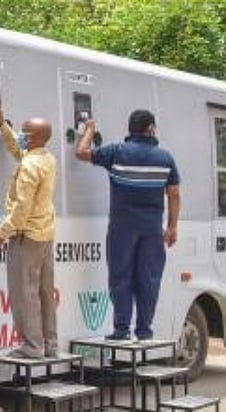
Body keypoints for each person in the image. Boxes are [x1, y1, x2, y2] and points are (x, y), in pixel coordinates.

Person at [75, 110, 180, 341]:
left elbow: (81, 152)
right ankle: (144, 331)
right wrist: (172, 227)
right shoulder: (165, 158)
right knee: (149, 279)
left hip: (122, 228)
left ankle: (121, 330)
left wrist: (90, 129)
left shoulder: (116, 152)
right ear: (151, 129)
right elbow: (174, 194)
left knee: (120, 277)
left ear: (130, 129)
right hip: (152, 230)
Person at [0, 105, 58, 359]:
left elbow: (21, 207)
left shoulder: (29, 166)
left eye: (25, 131)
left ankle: (31, 346)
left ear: (36, 138)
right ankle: (50, 344)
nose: (21, 133)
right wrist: (1, 125)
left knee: (24, 293)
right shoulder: (46, 159)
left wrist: (3, 233)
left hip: (26, 235)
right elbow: (19, 151)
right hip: (45, 234)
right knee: (44, 292)